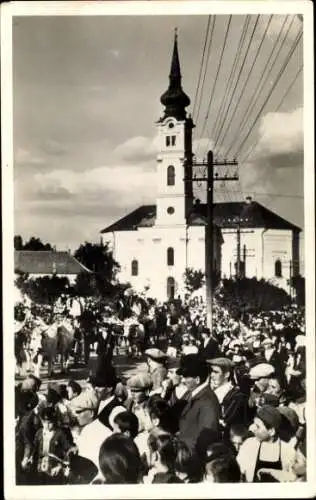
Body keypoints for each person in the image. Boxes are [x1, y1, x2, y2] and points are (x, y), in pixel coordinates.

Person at [237, 405, 296, 482]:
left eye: (258, 426)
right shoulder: (248, 445)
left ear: (271, 431)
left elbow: (293, 480)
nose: (252, 428)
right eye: (254, 424)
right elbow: (237, 474)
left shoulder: (288, 451)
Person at [177, 354, 221, 453]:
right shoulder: (191, 392)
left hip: (192, 459)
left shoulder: (208, 402)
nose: (182, 380)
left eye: (186, 377)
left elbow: (205, 440)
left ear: (197, 379)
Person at [207, 357, 250, 436]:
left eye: (216, 372)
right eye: (211, 372)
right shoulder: (209, 391)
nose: (212, 375)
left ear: (227, 374)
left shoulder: (236, 397)